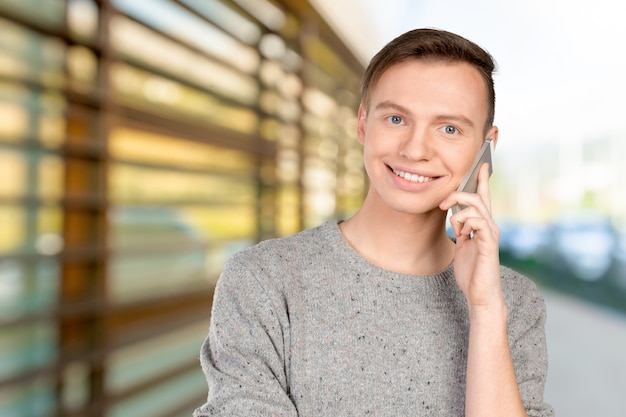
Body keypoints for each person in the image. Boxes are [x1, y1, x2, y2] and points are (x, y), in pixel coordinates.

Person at [194, 28, 554, 417]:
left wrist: (484, 311)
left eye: (449, 128)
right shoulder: (262, 281)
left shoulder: (513, 303)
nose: (415, 150)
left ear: (487, 146)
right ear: (363, 123)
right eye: (396, 118)